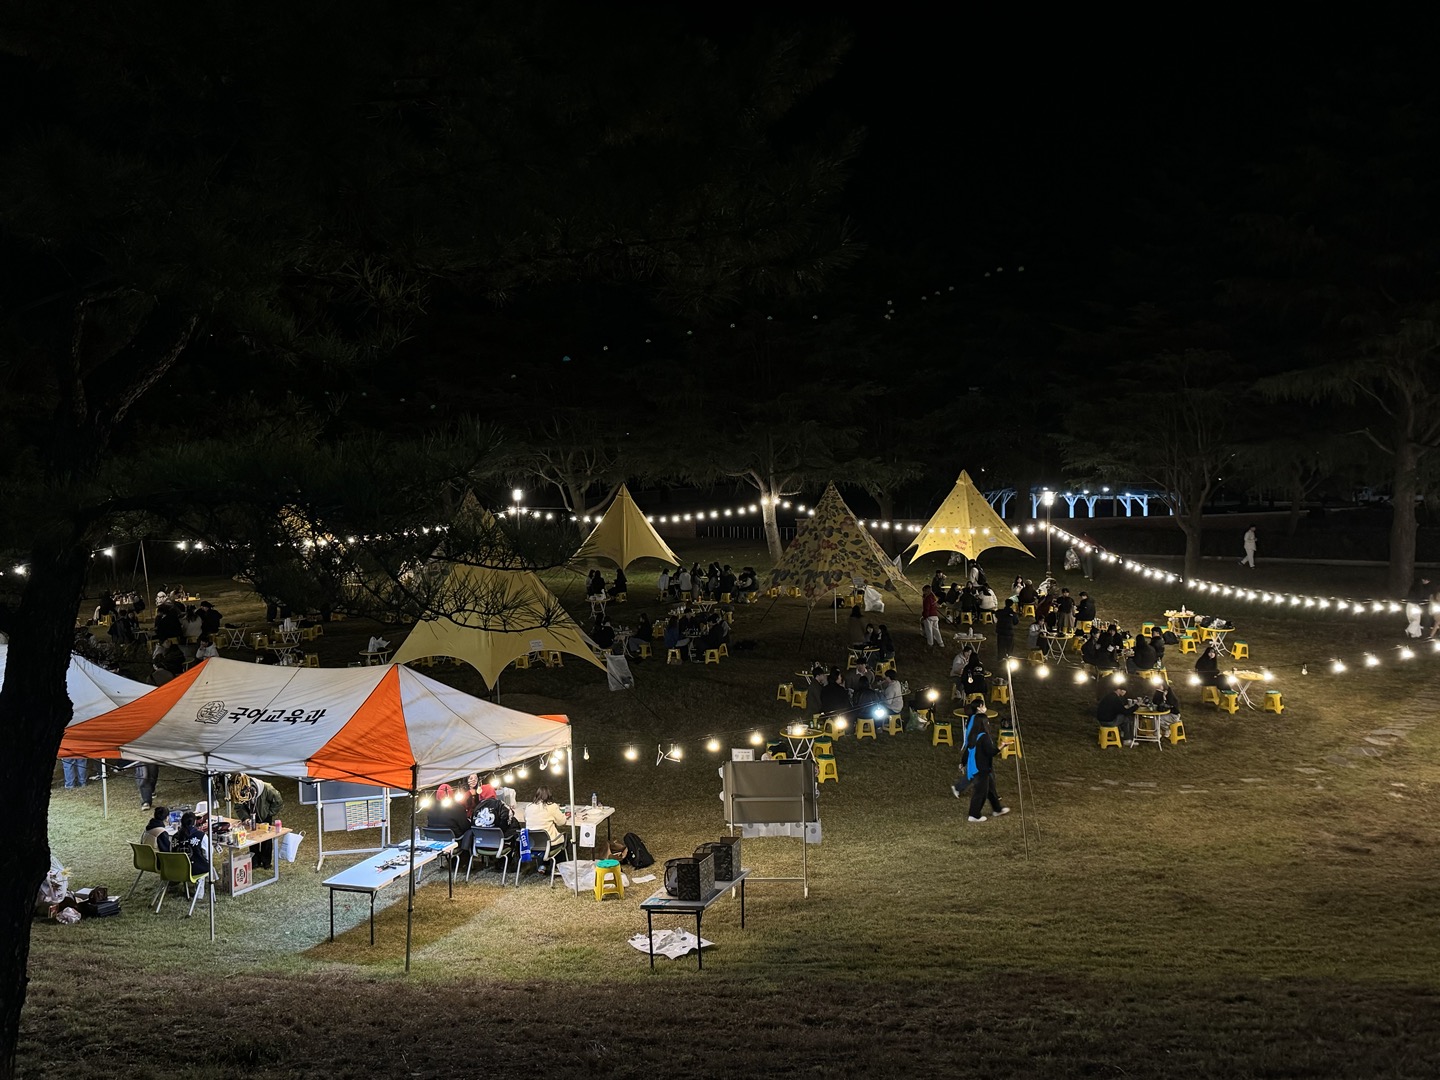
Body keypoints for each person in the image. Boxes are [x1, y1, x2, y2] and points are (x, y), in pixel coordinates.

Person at [958, 704, 1009, 823]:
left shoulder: (973, 735)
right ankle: (974, 815)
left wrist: (963, 763)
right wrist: (1001, 746)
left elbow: (968, 750)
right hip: (981, 768)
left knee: (990, 789)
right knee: (980, 792)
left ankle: (997, 809)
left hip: (975, 767)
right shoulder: (984, 737)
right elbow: (990, 752)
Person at [229, 773, 283, 870]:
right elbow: (238, 806)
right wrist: (245, 818)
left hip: (264, 816)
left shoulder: (267, 788)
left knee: (267, 839)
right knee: (252, 838)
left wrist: (269, 813)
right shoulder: (240, 791)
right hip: (250, 817)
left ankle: (266, 862)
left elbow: (278, 801)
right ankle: (254, 861)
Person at [523, 786, 569, 873]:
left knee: (542, 840)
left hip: (532, 844)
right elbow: (562, 822)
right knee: (564, 839)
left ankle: (542, 865)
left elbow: (525, 819)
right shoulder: (552, 806)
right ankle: (559, 866)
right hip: (548, 844)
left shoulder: (528, 807)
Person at [426, 783, 474, 848]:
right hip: (454, 842)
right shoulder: (457, 808)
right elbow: (465, 827)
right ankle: (467, 853)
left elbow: (429, 824)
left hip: (434, 841)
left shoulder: (430, 808)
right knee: (470, 831)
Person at [174, 811, 210, 877]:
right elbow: (208, 855)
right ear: (195, 822)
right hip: (196, 870)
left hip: (177, 869)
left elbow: (171, 852)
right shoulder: (201, 836)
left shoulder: (175, 837)